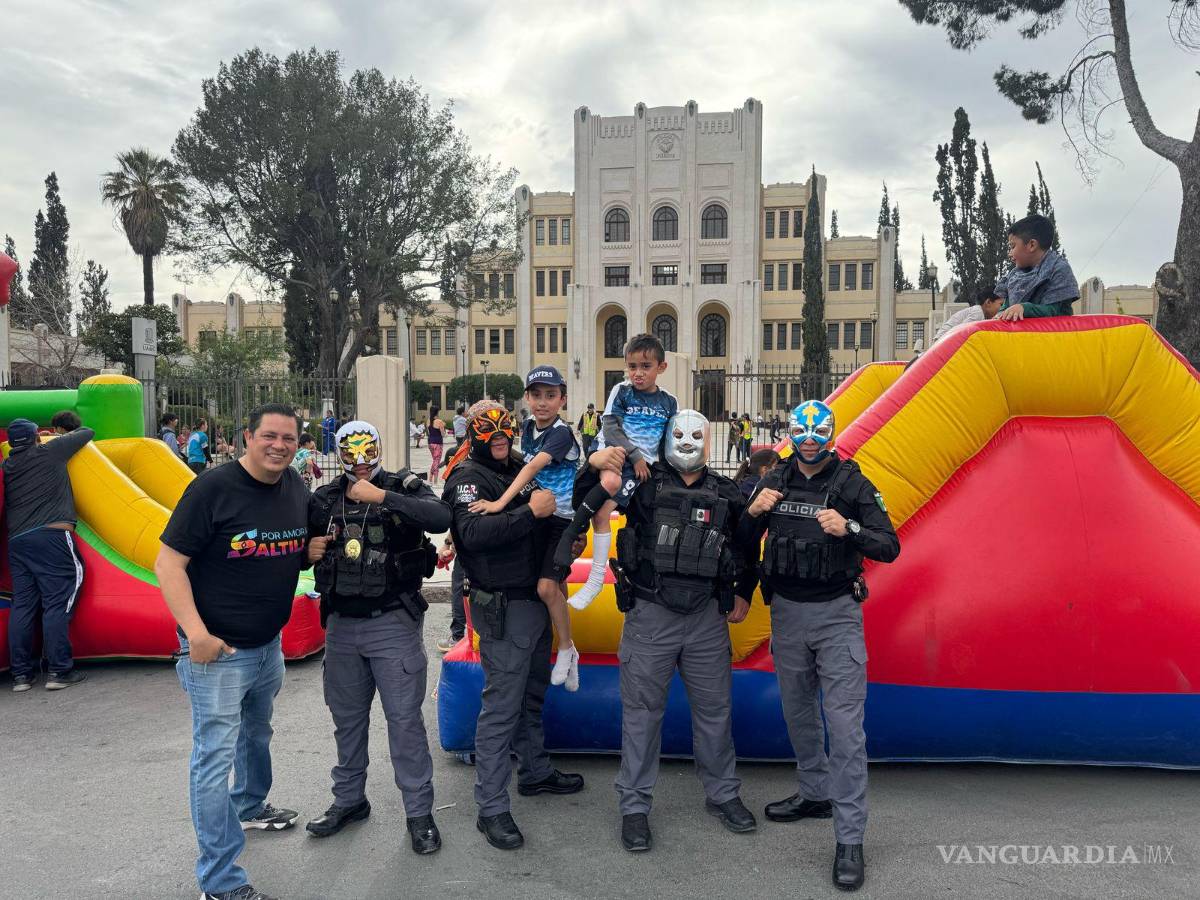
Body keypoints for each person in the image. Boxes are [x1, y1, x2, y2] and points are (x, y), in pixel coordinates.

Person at [737, 399, 900, 892]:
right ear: (791, 433)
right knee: (798, 713)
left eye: (818, 431)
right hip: (786, 613)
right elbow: (742, 540)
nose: (809, 440)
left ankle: (849, 839)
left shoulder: (852, 482)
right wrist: (751, 512)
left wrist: (848, 527)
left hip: (836, 618)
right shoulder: (775, 478)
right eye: (801, 432)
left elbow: (888, 545)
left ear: (830, 433)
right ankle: (814, 793)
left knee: (846, 728)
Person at [155, 403, 315, 900]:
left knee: (257, 731)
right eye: (269, 436)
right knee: (213, 758)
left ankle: (249, 806)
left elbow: (292, 542)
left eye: (288, 438)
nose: (279, 446)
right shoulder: (212, 489)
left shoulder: (294, 487)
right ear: (246, 437)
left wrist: (309, 550)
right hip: (218, 651)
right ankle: (220, 884)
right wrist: (197, 634)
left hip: (268, 644)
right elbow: (168, 564)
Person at [609, 409, 757, 852]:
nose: (688, 442)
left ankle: (723, 795)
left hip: (706, 620)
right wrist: (600, 464)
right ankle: (634, 807)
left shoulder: (727, 492)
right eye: (680, 433)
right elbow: (593, 498)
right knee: (641, 714)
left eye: (697, 434)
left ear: (709, 440)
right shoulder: (642, 485)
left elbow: (748, 547)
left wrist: (745, 591)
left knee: (716, 712)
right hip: (651, 615)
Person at [442, 400, 585, 851]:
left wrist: (568, 536)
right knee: (502, 705)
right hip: (503, 604)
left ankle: (536, 771)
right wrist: (531, 514)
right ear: (474, 433)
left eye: (506, 427)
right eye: (489, 430)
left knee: (532, 693)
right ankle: (491, 807)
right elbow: (475, 534)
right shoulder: (467, 478)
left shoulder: (521, 465)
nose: (500, 436)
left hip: (536, 597)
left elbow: (550, 504)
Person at [305, 420, 449, 854]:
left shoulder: (402, 485)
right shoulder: (324, 498)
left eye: (368, 451)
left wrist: (385, 496)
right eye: (351, 453)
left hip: (392, 622)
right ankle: (349, 801)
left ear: (380, 448)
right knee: (347, 720)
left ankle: (419, 813)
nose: (361, 461)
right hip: (342, 626)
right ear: (339, 452)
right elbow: (296, 547)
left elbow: (441, 516)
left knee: (404, 722)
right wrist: (305, 551)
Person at [466, 366, 582, 691]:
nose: (543, 402)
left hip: (562, 520)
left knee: (547, 588)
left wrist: (499, 503)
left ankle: (567, 648)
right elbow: (514, 457)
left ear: (562, 399)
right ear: (527, 398)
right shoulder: (529, 427)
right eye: (536, 395)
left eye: (551, 396)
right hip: (539, 517)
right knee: (552, 585)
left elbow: (530, 467)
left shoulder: (560, 433)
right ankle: (565, 647)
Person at [553, 333, 678, 610]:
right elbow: (610, 428)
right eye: (632, 366)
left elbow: (668, 442)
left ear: (661, 367)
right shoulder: (621, 391)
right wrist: (634, 456)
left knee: (603, 512)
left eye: (645, 366)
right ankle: (585, 557)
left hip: (643, 468)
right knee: (609, 481)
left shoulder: (669, 402)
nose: (638, 373)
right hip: (615, 454)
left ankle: (595, 577)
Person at [4, 417, 93, 692]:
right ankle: (58, 670)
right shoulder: (50, 451)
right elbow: (87, 431)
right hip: (52, 536)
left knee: (23, 606)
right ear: (36, 438)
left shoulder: (7, 467)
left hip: (17, 542)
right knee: (58, 601)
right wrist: (50, 437)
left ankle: (21, 675)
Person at [993, 213, 1079, 322]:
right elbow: (1006, 307)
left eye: (1012, 246)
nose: (1010, 253)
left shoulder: (1058, 269)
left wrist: (1024, 308)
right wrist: (1001, 314)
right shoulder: (1015, 276)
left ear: (1032, 245)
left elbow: (1053, 311)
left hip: (1053, 336)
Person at [933, 288, 1004, 344]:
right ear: (988, 302)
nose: (1002, 308)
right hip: (942, 342)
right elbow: (964, 334)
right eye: (1001, 304)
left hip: (943, 341)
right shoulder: (978, 313)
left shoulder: (979, 312)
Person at [427, 410, 445, 484]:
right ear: (437, 413)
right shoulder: (439, 421)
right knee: (437, 461)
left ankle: (430, 479)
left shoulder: (428, 421)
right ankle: (435, 481)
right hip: (438, 443)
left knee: (434, 461)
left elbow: (428, 432)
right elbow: (443, 434)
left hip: (430, 442)